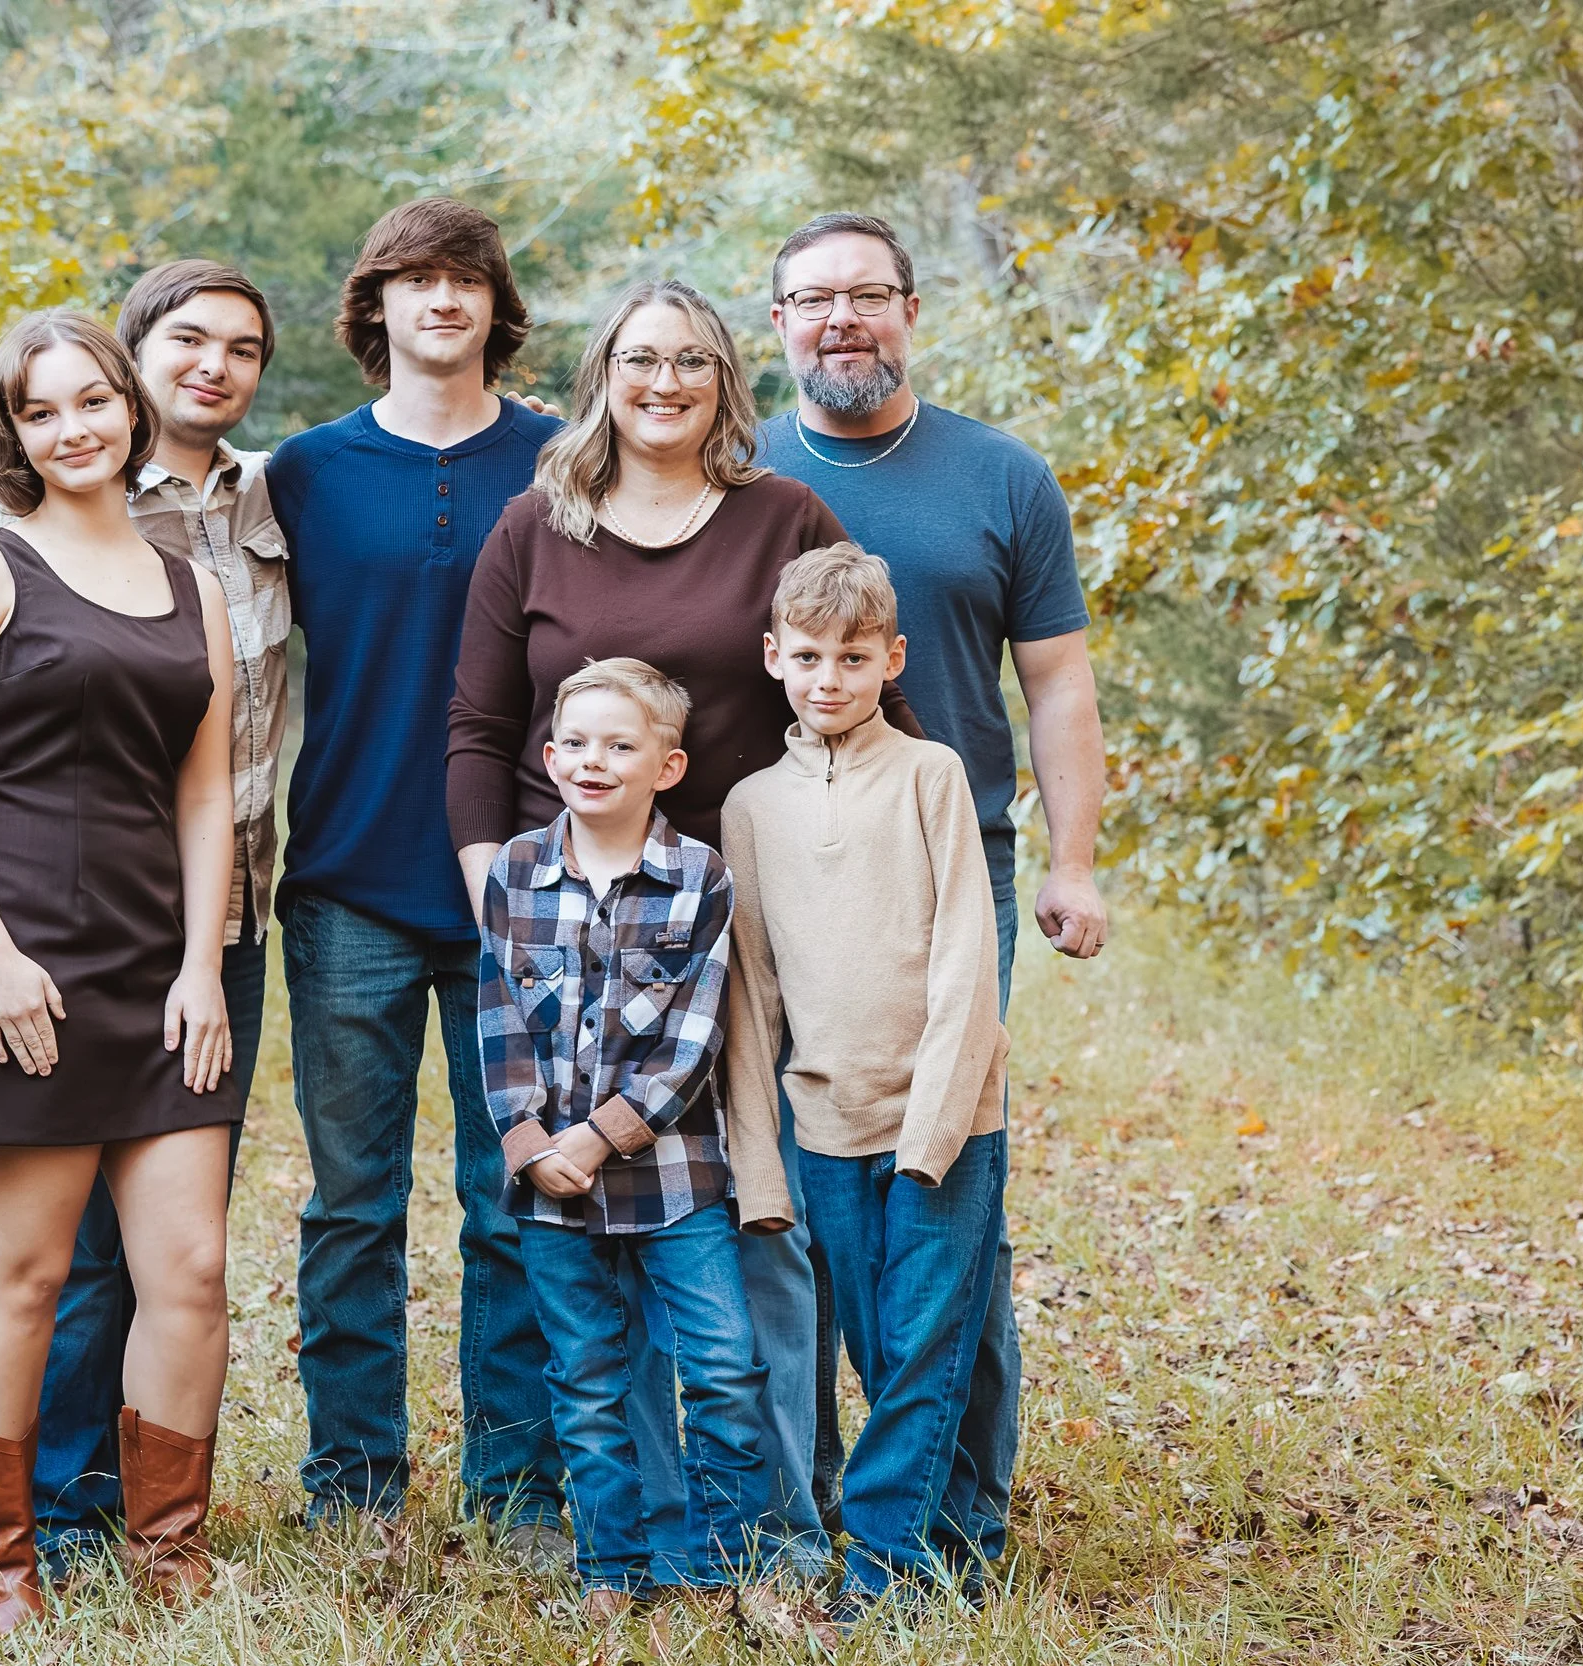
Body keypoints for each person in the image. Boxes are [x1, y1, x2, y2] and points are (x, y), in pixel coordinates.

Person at [446, 276, 918, 1568]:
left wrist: (912, 866)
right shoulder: (537, 528)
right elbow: (480, 733)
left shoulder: (781, 516)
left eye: (692, 362)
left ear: (725, 380)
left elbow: (861, 677)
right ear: (603, 372)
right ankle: (655, 1527)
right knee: (597, 1223)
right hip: (574, 931)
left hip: (754, 914)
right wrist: (505, 896)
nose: (664, 383)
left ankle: (784, 1508)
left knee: (755, 1218)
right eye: (641, 359)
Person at [0, 260, 289, 1573]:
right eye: (40, 412)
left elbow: (204, 797)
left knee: (188, 1270)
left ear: (131, 409)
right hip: (24, 960)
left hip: (158, 969)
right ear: (11, 436)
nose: (73, 428)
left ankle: (166, 1550)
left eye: (92, 401)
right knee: (24, 1276)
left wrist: (200, 966)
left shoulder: (193, 588)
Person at [757, 210, 1109, 1574]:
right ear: (777, 320)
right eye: (813, 299)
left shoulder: (1001, 476)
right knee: (799, 1192)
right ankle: (827, 1491)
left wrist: (1071, 857)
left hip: (958, 869)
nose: (842, 318)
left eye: (867, 295)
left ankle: (960, 1512)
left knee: (949, 1178)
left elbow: (1059, 680)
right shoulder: (744, 472)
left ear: (910, 310)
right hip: (780, 870)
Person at [267, 198, 569, 1547]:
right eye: (414, 278)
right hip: (349, 884)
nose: (441, 299)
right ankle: (355, 1492)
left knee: (516, 1199)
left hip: (530, 881)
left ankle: (519, 1491)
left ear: (496, 307)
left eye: (466, 279)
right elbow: (136, 534)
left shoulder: (567, 461)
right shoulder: (303, 473)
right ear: (374, 306)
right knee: (351, 1206)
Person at [477, 659, 810, 1625]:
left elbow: (696, 1040)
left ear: (667, 767)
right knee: (584, 1383)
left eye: (621, 746)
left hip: (675, 1184)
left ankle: (729, 1566)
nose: (595, 761)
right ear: (547, 758)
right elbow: (495, 1022)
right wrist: (536, 1144)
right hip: (551, 1191)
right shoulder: (513, 873)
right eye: (576, 743)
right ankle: (610, 1574)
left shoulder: (702, 878)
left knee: (721, 1367)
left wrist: (598, 1138)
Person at [720, 544, 1010, 1614]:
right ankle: (945, 1554)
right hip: (822, 1124)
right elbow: (751, 996)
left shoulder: (931, 778)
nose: (828, 676)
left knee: (930, 1343)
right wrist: (759, 1169)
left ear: (891, 658)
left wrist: (933, 1131)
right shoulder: (750, 806)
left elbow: (963, 959)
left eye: (852, 656)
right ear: (772, 658)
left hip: (945, 1123)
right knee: (880, 1353)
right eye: (807, 655)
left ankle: (882, 1572)